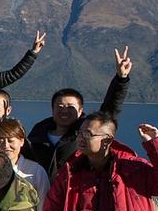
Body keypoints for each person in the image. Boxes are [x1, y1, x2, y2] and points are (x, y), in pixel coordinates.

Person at [27, 47, 132, 178]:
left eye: (70, 107)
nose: (64, 110)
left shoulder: (87, 133)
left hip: (74, 189)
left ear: (81, 110)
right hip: (39, 189)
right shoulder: (38, 132)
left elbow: (110, 109)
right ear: (52, 109)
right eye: (60, 106)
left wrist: (121, 79)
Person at [0, 118, 49, 211]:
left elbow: (44, 208)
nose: (6, 145)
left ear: (22, 141)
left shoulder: (36, 171)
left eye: (10, 140)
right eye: (0, 140)